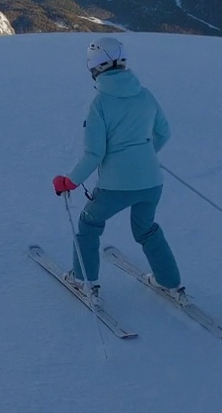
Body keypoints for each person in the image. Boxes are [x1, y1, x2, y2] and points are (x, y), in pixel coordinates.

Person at [53, 37, 182, 299]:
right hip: (152, 182)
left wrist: (69, 181)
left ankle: (83, 280)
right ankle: (169, 282)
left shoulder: (99, 103)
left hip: (116, 186)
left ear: (94, 67)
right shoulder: (145, 94)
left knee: (89, 223)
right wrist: (144, 155)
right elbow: (164, 133)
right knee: (145, 229)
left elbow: (94, 154)